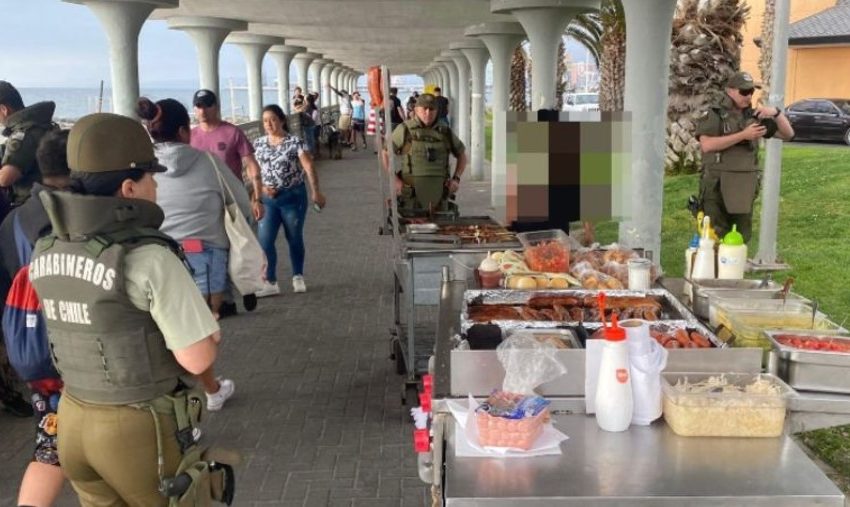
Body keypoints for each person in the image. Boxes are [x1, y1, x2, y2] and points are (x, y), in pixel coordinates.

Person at [28, 112, 225, 506]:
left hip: (73, 418)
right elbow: (197, 356)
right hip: (137, 428)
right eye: (152, 176)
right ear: (129, 188)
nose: (156, 185)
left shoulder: (45, 247)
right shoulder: (149, 256)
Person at [0, 130, 70, 507]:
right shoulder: (84, 211)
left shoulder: (12, 221)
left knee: (48, 448)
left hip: (34, 352)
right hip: (85, 351)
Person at [695, 71, 794, 241]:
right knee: (714, 234)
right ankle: (714, 266)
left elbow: (788, 134)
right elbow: (707, 145)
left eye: (751, 92)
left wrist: (776, 113)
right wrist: (743, 135)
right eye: (743, 92)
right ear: (730, 91)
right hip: (717, 182)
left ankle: (735, 265)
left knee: (740, 234)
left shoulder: (754, 117)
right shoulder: (715, 114)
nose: (748, 96)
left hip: (744, 184)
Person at [191, 88, 263, 317]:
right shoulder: (191, 136)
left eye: (207, 105)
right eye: (198, 106)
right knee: (214, 250)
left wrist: (256, 196)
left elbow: (251, 164)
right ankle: (227, 300)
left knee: (240, 246)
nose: (202, 110)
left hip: (232, 201)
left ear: (216, 106)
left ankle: (247, 286)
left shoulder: (232, 133)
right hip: (204, 204)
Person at [253, 105, 326, 296]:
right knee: (265, 240)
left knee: (293, 236)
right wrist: (259, 190)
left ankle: (298, 276)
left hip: (292, 196)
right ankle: (270, 281)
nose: (269, 124)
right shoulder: (258, 144)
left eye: (273, 119)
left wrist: (316, 192)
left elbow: (309, 167)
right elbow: (252, 172)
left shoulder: (295, 142)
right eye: (265, 121)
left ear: (282, 120)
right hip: (268, 199)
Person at [382, 93, 467, 215]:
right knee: (413, 231)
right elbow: (385, 153)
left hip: (439, 197)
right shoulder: (405, 129)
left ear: (437, 111)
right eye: (424, 109)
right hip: (411, 197)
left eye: (432, 109)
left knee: (441, 230)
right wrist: (395, 180)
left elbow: (462, 155)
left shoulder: (445, 131)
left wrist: (456, 179)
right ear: (416, 110)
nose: (428, 113)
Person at [0, 81, 56, 210]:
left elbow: (5, 178)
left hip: (29, 206)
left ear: (4, 109)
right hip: (46, 202)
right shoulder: (40, 126)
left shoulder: (25, 134)